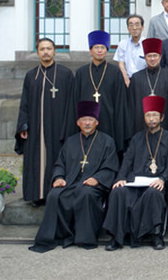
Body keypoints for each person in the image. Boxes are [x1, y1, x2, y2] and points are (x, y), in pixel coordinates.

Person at [29, 101, 119, 253]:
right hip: (70, 182)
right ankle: (61, 235)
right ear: (78, 123)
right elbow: (59, 164)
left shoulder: (107, 141)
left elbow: (111, 167)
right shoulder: (70, 141)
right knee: (55, 194)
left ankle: (85, 238)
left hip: (93, 186)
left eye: (90, 120)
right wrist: (58, 177)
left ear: (97, 122)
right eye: (84, 120)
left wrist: (97, 179)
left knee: (86, 193)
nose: (87, 123)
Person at [103, 96, 168, 251]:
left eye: (154, 115)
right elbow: (127, 161)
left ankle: (155, 235)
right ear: (144, 118)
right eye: (148, 115)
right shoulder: (137, 138)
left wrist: (163, 179)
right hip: (136, 181)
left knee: (154, 192)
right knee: (118, 192)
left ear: (161, 117)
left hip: (158, 182)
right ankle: (116, 237)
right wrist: (120, 178)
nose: (151, 119)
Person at [15, 38, 74, 205]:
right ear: (38, 52)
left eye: (49, 48)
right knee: (36, 159)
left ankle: (54, 194)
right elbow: (24, 102)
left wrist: (68, 128)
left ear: (55, 51)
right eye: (42, 49)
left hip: (57, 127)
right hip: (35, 128)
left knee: (56, 157)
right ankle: (36, 195)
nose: (46, 52)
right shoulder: (31, 75)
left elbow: (71, 103)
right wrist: (23, 125)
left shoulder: (65, 74)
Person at [72, 30, 130, 154]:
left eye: (102, 47)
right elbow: (75, 99)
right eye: (96, 47)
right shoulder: (81, 73)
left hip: (109, 120)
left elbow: (120, 102)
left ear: (107, 50)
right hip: (86, 122)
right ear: (90, 50)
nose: (99, 50)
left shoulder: (115, 72)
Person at [128, 38, 168, 135]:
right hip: (140, 127)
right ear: (145, 57)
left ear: (160, 57)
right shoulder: (136, 78)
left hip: (164, 127)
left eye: (155, 55)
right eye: (149, 56)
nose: (152, 59)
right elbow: (131, 105)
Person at [115, 14, 146, 87]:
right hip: (127, 80)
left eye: (137, 25)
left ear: (142, 27)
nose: (134, 28)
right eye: (131, 25)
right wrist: (126, 80)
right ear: (128, 28)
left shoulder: (147, 43)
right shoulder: (123, 43)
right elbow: (121, 63)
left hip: (144, 80)